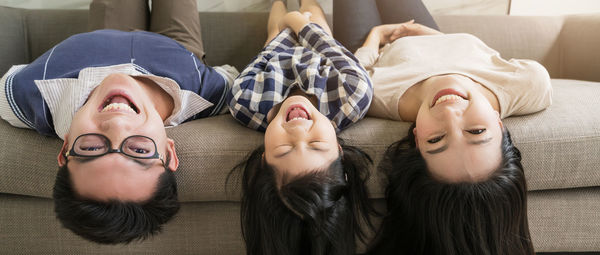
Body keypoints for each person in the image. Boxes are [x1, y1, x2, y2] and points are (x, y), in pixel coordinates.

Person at [0, 0, 238, 244]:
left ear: (66, 147)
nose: (117, 125)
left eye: (91, 148)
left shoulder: (28, 95)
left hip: (101, 36)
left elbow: (6, 90)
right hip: (177, 48)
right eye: (139, 149)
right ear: (169, 151)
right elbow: (229, 76)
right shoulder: (207, 94)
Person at [333, 0, 552, 254]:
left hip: (371, 47)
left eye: (436, 139)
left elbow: (354, 70)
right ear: (499, 124)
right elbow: (479, 54)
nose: (450, 113)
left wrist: (376, 35)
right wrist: (434, 37)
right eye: (477, 131)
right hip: (428, 36)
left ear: (416, 138)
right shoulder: (528, 85)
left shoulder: (375, 97)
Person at [226, 0, 376, 254]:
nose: (298, 131)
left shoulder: (245, 102)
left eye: (284, 149)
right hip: (320, 45)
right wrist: (301, 24)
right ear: (339, 150)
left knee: (274, 27)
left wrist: (285, 27)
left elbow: (263, 58)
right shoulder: (352, 95)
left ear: (263, 159)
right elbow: (335, 51)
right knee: (315, 18)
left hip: (276, 50)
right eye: (316, 144)